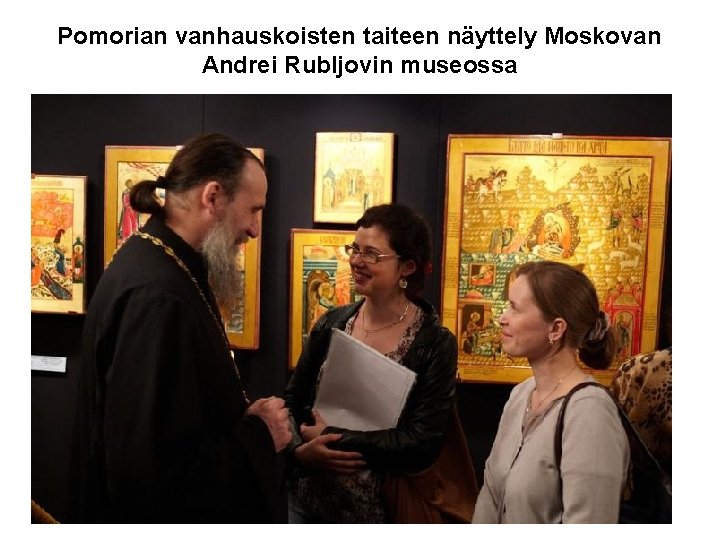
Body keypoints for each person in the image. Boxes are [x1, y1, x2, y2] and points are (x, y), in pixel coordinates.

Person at [76, 133, 292, 523]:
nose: (255, 229)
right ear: (213, 197)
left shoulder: (164, 263)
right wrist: (260, 435)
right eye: (253, 210)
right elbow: (154, 472)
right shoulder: (158, 296)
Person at [284, 203, 465, 523]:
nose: (356, 261)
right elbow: (293, 401)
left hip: (380, 512)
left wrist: (333, 437)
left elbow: (421, 444)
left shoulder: (435, 343)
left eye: (371, 254)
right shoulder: (331, 323)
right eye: (355, 249)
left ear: (407, 267)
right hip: (306, 502)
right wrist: (301, 452)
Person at [473, 261, 630, 523]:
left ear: (556, 329)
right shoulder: (521, 395)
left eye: (515, 308)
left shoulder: (590, 412)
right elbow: (490, 495)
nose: (502, 318)